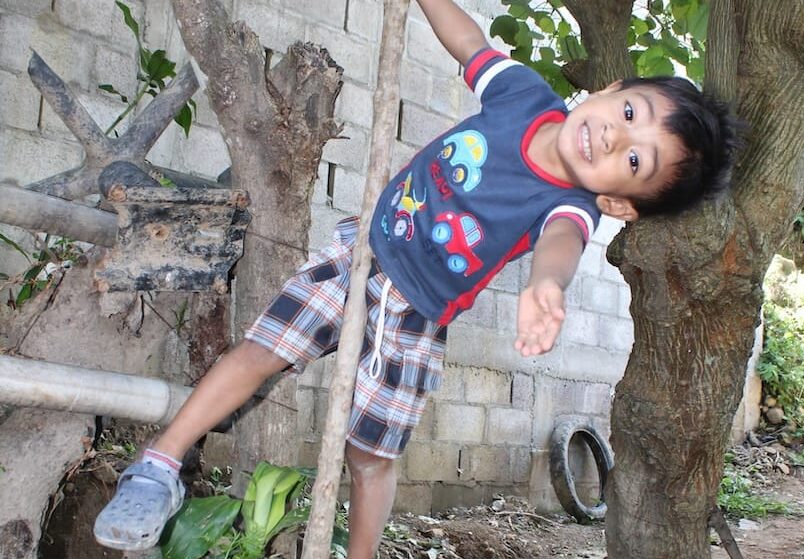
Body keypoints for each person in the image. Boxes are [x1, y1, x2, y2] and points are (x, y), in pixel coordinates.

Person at [94, 0, 739, 556]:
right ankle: (159, 465)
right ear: (608, 90)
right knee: (259, 352)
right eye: (630, 113)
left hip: (415, 315)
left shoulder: (566, 208)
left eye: (634, 158)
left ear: (621, 203)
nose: (612, 137)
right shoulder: (524, 96)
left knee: (370, 454)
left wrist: (548, 289)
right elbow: (469, 44)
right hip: (363, 251)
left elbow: (559, 250)